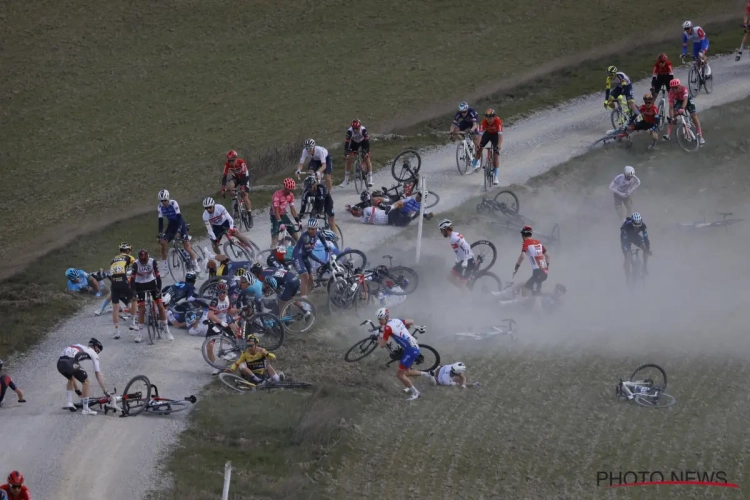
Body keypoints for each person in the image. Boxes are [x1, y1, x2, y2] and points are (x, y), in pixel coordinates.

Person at [375, 308, 428, 401]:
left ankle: (416, 393)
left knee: (399, 375)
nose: (379, 321)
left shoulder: (387, 327)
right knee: (406, 372)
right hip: (414, 346)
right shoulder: (396, 320)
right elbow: (411, 321)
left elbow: (382, 345)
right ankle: (427, 374)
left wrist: (377, 337)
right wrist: (404, 327)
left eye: (381, 319)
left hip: (410, 350)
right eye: (378, 319)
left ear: (386, 317)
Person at [57, 338, 108, 415]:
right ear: (96, 347)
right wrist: (105, 391)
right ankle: (86, 409)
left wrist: (78, 391)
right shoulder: (93, 353)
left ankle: (69, 402)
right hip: (70, 362)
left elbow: (73, 372)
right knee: (86, 382)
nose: (97, 353)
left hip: (60, 363)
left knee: (70, 378)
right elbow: (98, 373)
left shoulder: (79, 346)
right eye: (98, 351)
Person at [130, 249, 172, 343]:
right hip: (139, 284)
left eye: (145, 260)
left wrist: (158, 288)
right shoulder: (136, 264)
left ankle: (167, 331)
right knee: (142, 309)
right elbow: (132, 280)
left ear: (148, 257)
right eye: (142, 261)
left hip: (151, 283)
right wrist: (134, 292)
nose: (144, 262)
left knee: (161, 306)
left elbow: (157, 276)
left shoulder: (152, 261)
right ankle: (140, 334)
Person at [157, 189, 199, 272]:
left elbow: (179, 217)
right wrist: (160, 233)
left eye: (165, 200)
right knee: (163, 243)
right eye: (162, 201)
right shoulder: (160, 207)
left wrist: (179, 230)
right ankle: (165, 266)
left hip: (180, 223)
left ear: (168, 199)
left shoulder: (173, 203)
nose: (163, 202)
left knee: (187, 247)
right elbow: (160, 221)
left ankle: (196, 264)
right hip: (172, 224)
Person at [104, 243, 138, 338]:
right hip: (123, 282)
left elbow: (111, 273)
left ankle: (117, 331)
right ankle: (133, 323)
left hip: (114, 284)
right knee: (134, 300)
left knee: (115, 308)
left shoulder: (113, 260)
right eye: (130, 250)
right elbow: (136, 267)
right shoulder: (129, 257)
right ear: (127, 251)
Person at [293, 218, 331, 296]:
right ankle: (304, 300)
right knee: (305, 277)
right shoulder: (306, 237)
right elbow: (310, 254)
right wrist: (321, 262)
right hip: (298, 256)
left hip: (305, 256)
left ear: (316, 229)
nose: (310, 231)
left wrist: (326, 247)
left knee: (311, 277)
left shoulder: (318, 233)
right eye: (309, 229)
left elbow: (322, 238)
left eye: (312, 229)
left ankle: (309, 293)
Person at [664, 78, 705, 145]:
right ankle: (668, 135)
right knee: (673, 115)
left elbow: (685, 100)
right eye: (672, 88)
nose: (674, 90)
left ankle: (700, 137)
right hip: (678, 101)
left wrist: (682, 108)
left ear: (679, 86)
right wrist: (672, 117)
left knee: (694, 116)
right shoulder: (671, 93)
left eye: (675, 88)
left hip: (687, 100)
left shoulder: (684, 89)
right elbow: (671, 107)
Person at [438, 219, 475, 291]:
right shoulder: (454, 235)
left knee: (455, 280)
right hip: (465, 260)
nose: (441, 233)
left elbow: (467, 246)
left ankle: (469, 297)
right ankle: (465, 291)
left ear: (445, 229)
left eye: (441, 230)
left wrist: (465, 261)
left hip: (468, 261)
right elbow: (459, 249)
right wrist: (457, 258)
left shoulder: (454, 238)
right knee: (453, 278)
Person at [512, 225, 550, 297]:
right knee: (531, 290)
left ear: (523, 235)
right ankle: (546, 297)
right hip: (542, 272)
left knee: (530, 293)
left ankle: (528, 306)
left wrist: (516, 267)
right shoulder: (538, 242)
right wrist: (546, 268)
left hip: (538, 272)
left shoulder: (526, 242)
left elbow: (522, 256)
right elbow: (548, 256)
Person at [300, 173, 338, 238]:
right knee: (312, 218)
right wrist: (299, 217)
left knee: (331, 221)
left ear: (315, 184)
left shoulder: (321, 187)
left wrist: (319, 211)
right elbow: (303, 205)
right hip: (317, 201)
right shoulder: (306, 191)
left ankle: (336, 236)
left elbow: (322, 202)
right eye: (308, 188)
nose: (310, 190)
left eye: (311, 187)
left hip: (326, 201)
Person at [221, 150, 253, 226]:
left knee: (245, 197)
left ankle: (249, 215)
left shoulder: (241, 163)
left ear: (235, 158)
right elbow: (224, 177)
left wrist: (242, 187)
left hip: (244, 178)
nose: (230, 162)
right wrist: (223, 187)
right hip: (236, 178)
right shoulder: (227, 164)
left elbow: (244, 177)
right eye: (229, 161)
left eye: (232, 160)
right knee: (230, 187)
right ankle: (235, 202)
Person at [472, 109, 503, 185]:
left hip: (496, 136)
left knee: (496, 155)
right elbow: (480, 134)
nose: (489, 120)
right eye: (487, 118)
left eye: (490, 118)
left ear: (494, 117)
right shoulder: (484, 122)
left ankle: (496, 177)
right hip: (488, 134)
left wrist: (499, 145)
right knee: (479, 148)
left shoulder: (498, 121)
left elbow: (500, 135)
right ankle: (474, 164)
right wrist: (478, 145)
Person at [270, 179, 301, 249]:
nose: (290, 191)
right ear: (285, 188)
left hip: (283, 214)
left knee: (294, 233)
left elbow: (292, 208)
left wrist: (298, 220)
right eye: (289, 190)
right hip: (275, 215)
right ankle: (272, 252)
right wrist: (280, 222)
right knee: (275, 236)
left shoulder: (291, 195)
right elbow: (276, 211)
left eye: (291, 190)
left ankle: (300, 250)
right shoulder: (277, 195)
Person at [620, 212, 652, 277]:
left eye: (638, 225)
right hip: (626, 237)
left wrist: (647, 249)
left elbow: (646, 238)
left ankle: (645, 266)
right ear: (632, 222)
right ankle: (627, 273)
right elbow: (624, 240)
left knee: (645, 249)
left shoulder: (643, 226)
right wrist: (626, 250)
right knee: (627, 255)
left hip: (635, 237)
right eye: (635, 225)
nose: (637, 226)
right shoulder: (626, 225)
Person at [344, 119, 373, 187]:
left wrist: (366, 151)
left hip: (363, 143)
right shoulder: (349, 131)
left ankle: (371, 179)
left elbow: (367, 142)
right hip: (354, 143)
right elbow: (347, 143)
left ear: (360, 127)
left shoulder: (363, 130)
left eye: (357, 128)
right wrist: (346, 152)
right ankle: (346, 180)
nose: (355, 130)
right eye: (354, 128)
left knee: (367, 158)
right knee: (348, 159)